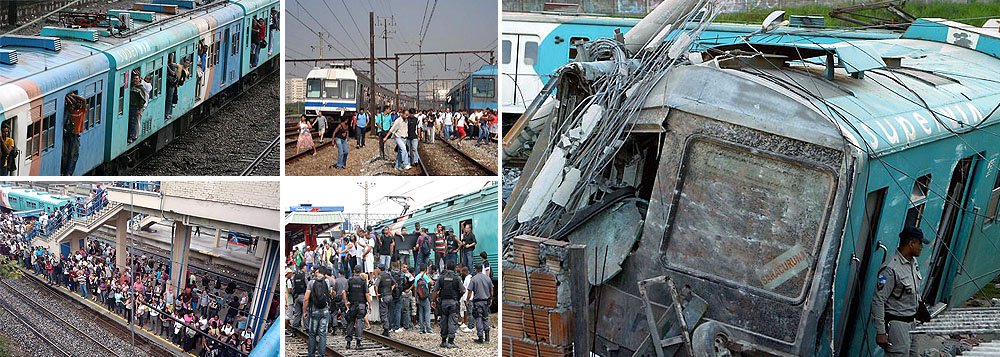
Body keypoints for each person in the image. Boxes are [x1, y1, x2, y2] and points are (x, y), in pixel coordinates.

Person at [872, 226, 931, 357]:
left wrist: (920, 307)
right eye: (919, 243)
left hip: (912, 322)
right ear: (911, 243)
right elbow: (878, 300)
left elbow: (914, 290)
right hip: (897, 325)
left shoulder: (913, 263)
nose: (921, 247)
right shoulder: (890, 269)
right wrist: (881, 331)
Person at [432, 261, 465, 348]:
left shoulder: (441, 277)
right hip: (453, 302)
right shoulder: (457, 278)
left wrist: (433, 301)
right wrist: (458, 297)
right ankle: (450, 341)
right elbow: (463, 290)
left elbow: (435, 290)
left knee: (443, 320)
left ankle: (443, 341)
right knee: (452, 321)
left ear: (446, 268)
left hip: (443, 302)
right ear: (454, 269)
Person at [303, 267, 330, 357]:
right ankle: (321, 355)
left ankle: (311, 355)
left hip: (314, 310)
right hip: (325, 310)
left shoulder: (311, 282)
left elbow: (306, 298)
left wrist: (304, 311)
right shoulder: (327, 282)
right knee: (323, 334)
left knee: (312, 334)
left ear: (318, 272)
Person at [342, 265, 370, 350]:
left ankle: (348, 343)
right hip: (361, 305)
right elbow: (367, 294)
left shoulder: (349, 280)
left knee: (350, 322)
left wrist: (346, 302)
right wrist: (370, 304)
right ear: (360, 271)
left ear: (354, 271)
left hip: (352, 305)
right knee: (359, 323)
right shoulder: (363, 281)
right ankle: (358, 343)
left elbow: (344, 292)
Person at [466, 263, 493, 343]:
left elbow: (470, 291)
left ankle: (480, 337)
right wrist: (491, 299)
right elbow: (491, 290)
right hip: (486, 302)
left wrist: (467, 300)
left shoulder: (474, 279)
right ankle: (487, 337)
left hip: (478, 302)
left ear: (476, 269)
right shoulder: (487, 278)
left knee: (478, 318)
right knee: (485, 318)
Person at [62, 92, 86, 175]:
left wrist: (73, 96)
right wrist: (73, 96)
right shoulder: (75, 111)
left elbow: (84, 100)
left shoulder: (79, 111)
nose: (79, 104)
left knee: (70, 155)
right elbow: (83, 101)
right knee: (70, 154)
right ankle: (66, 172)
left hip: (72, 135)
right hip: (71, 135)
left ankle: (67, 172)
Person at [127, 70, 148, 144]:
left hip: (135, 107)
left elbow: (143, 100)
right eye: (134, 78)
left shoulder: (141, 88)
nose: (135, 80)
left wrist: (139, 109)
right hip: (130, 106)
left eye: (136, 79)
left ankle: (131, 137)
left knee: (133, 122)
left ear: (139, 79)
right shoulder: (132, 86)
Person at [374, 264, 395, 336]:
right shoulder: (388, 275)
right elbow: (394, 283)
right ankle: (389, 327)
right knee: (389, 312)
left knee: (383, 313)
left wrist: (377, 294)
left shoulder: (380, 276)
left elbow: (375, 285)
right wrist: (390, 290)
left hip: (383, 297)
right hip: (390, 296)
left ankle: (386, 329)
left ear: (379, 269)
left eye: (377, 268)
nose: (376, 270)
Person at [413, 264, 433, 334]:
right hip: (425, 297)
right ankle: (428, 329)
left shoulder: (417, 277)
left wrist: (416, 298)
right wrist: (428, 276)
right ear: (425, 270)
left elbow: (415, 288)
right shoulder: (425, 276)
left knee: (420, 312)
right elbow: (432, 283)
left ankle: (421, 329)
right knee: (427, 312)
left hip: (419, 297)